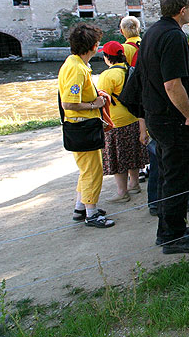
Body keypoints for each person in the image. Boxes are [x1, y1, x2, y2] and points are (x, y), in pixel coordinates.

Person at [139, 0, 189, 254]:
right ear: (182, 10)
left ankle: (170, 229)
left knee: (169, 176)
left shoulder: (152, 32)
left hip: (157, 116)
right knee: (177, 177)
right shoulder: (174, 37)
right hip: (173, 120)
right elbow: (172, 84)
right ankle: (173, 236)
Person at [58, 22, 114, 228]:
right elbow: (68, 102)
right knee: (93, 171)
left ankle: (80, 208)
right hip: (82, 127)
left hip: (79, 126)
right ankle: (91, 213)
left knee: (86, 169)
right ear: (93, 46)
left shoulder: (74, 64)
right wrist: (94, 104)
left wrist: (94, 96)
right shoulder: (77, 69)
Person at [97, 41, 148, 203]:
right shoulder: (131, 70)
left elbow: (102, 99)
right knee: (132, 154)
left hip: (116, 123)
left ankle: (122, 192)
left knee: (118, 158)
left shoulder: (108, 75)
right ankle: (134, 184)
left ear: (107, 57)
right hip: (134, 118)